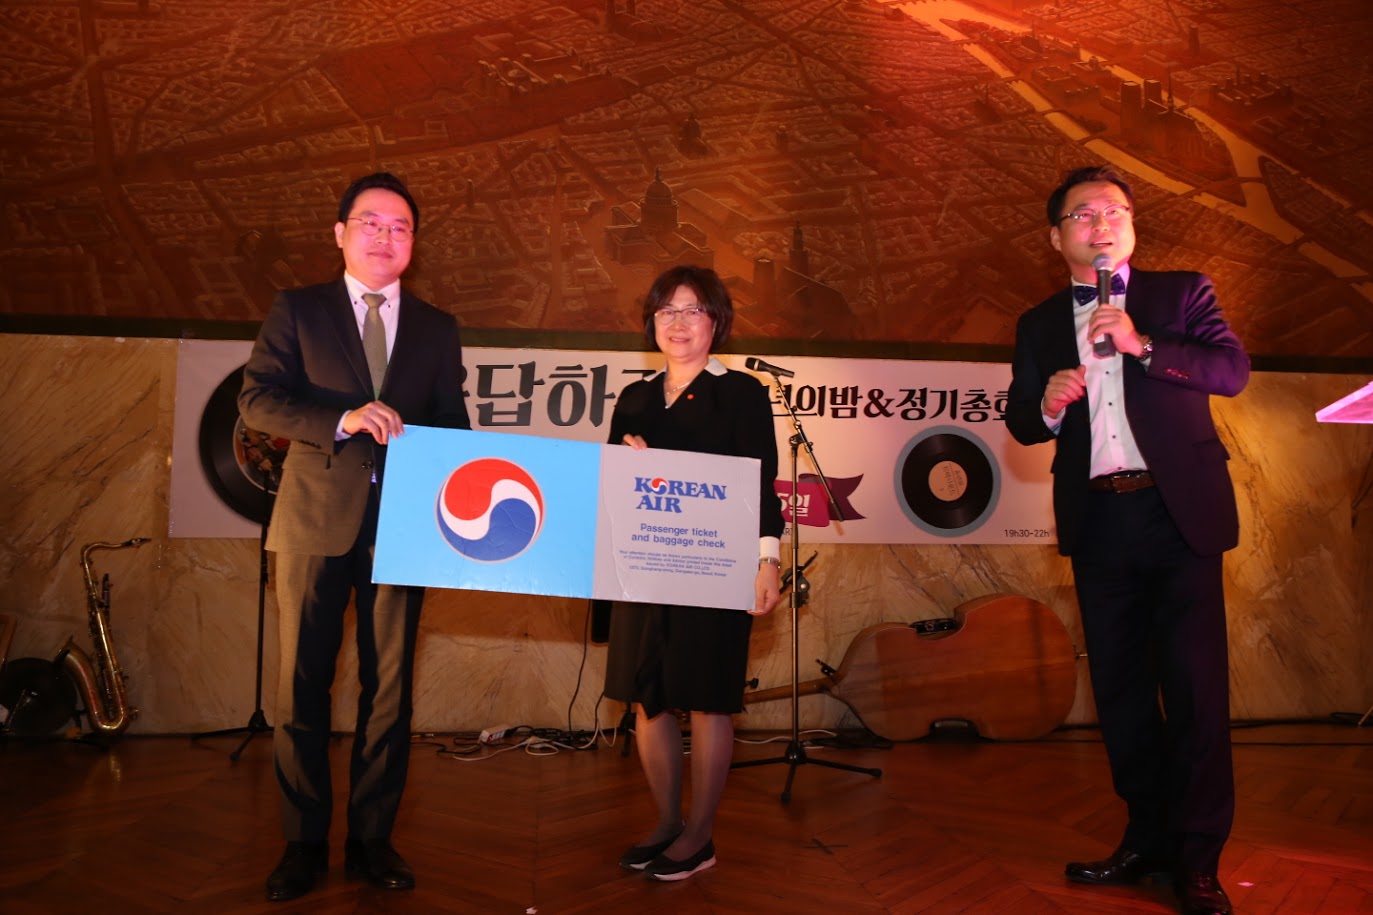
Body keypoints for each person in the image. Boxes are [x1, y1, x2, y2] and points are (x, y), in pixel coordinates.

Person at [1006, 166, 1249, 915]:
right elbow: (1021, 420)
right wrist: (1048, 406)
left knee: (1194, 690)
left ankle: (1198, 859)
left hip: (1178, 516)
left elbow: (1230, 371)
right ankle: (1146, 836)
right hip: (1100, 519)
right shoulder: (1039, 322)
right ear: (1057, 237)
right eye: (1082, 214)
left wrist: (1142, 345)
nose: (1101, 223)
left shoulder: (1181, 294)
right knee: (1121, 694)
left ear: (1132, 227)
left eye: (1114, 211)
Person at [239, 172, 470, 902]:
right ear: (340, 233)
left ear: (414, 243)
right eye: (370, 222)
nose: (384, 236)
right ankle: (302, 842)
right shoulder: (298, 309)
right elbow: (257, 400)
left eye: (400, 227)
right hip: (312, 521)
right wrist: (341, 419)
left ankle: (373, 839)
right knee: (300, 687)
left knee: (389, 692)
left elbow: (452, 425)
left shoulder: (436, 327)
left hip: (405, 528)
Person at [605, 264, 784, 882]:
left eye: (693, 310)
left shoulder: (741, 394)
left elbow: (761, 483)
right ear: (651, 321)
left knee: (709, 699)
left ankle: (701, 834)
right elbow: (613, 487)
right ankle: (666, 823)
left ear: (717, 322)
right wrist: (623, 467)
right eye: (667, 310)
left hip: (715, 564)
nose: (678, 323)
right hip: (642, 567)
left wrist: (767, 560)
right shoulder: (633, 398)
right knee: (647, 697)